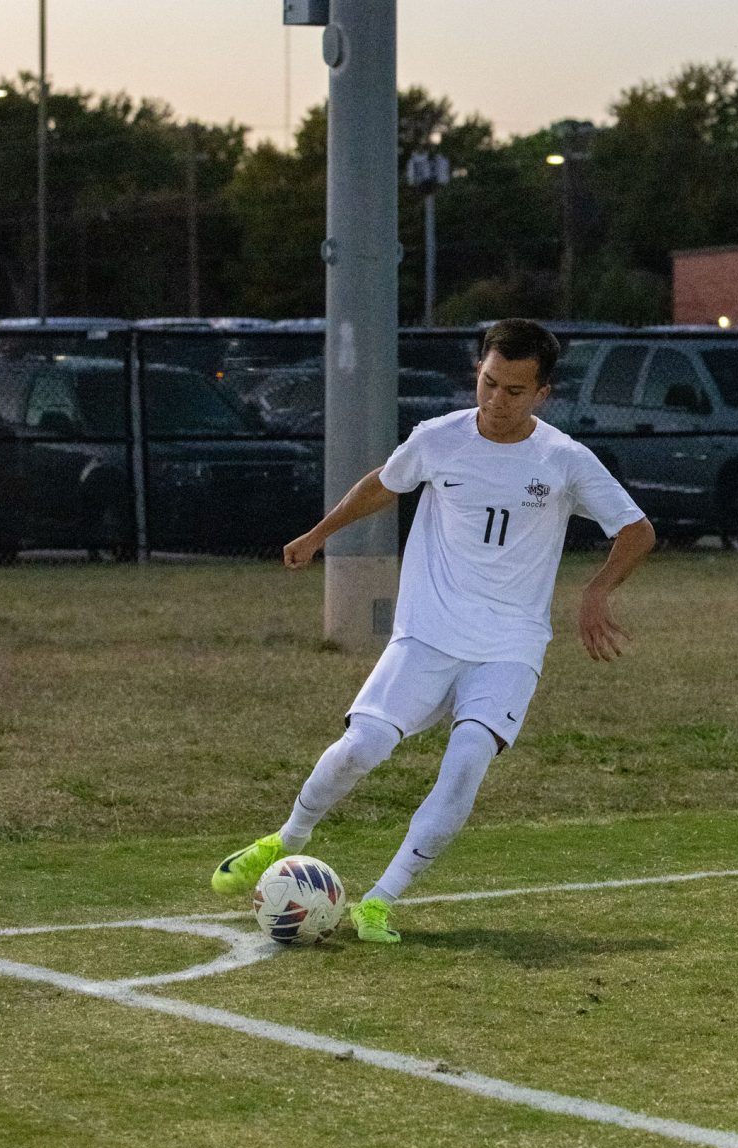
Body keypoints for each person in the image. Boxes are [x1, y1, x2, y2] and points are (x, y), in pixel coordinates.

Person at [211, 318, 655, 942]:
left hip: (509, 646)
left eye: (515, 391)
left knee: (467, 759)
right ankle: (285, 839)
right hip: (425, 634)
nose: (497, 401)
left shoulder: (564, 459)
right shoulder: (438, 438)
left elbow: (636, 531)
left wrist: (596, 591)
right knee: (362, 748)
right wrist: (318, 535)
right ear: (477, 372)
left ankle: (379, 901)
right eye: (489, 383)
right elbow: (382, 486)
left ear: (543, 394)